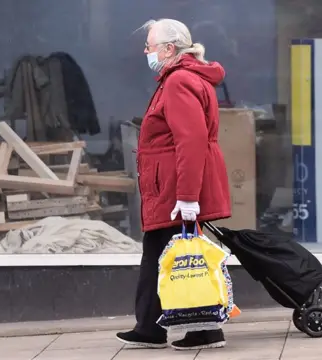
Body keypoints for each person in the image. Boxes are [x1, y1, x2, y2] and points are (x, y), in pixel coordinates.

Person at [115, 18, 232, 351]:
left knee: (172, 256)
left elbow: (190, 141)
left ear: (169, 49)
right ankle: (154, 327)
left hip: (173, 189)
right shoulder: (181, 78)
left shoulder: (179, 81)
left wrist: (187, 197)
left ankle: (201, 330)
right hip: (169, 187)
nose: (146, 52)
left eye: (150, 46)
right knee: (166, 254)